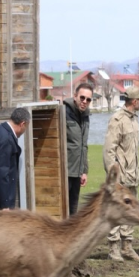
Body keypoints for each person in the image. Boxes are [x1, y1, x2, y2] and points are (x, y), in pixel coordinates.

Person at [104, 86, 139, 262]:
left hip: (132, 175)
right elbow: (108, 149)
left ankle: (127, 246)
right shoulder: (117, 119)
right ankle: (114, 249)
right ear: (134, 101)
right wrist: (113, 176)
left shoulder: (134, 120)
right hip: (120, 176)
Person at [64, 83, 92, 215]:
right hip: (65, 171)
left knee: (73, 210)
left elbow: (83, 146)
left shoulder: (86, 116)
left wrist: (84, 171)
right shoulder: (63, 112)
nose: (84, 101)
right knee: (63, 209)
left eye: (88, 99)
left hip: (77, 172)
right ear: (75, 96)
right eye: (82, 97)